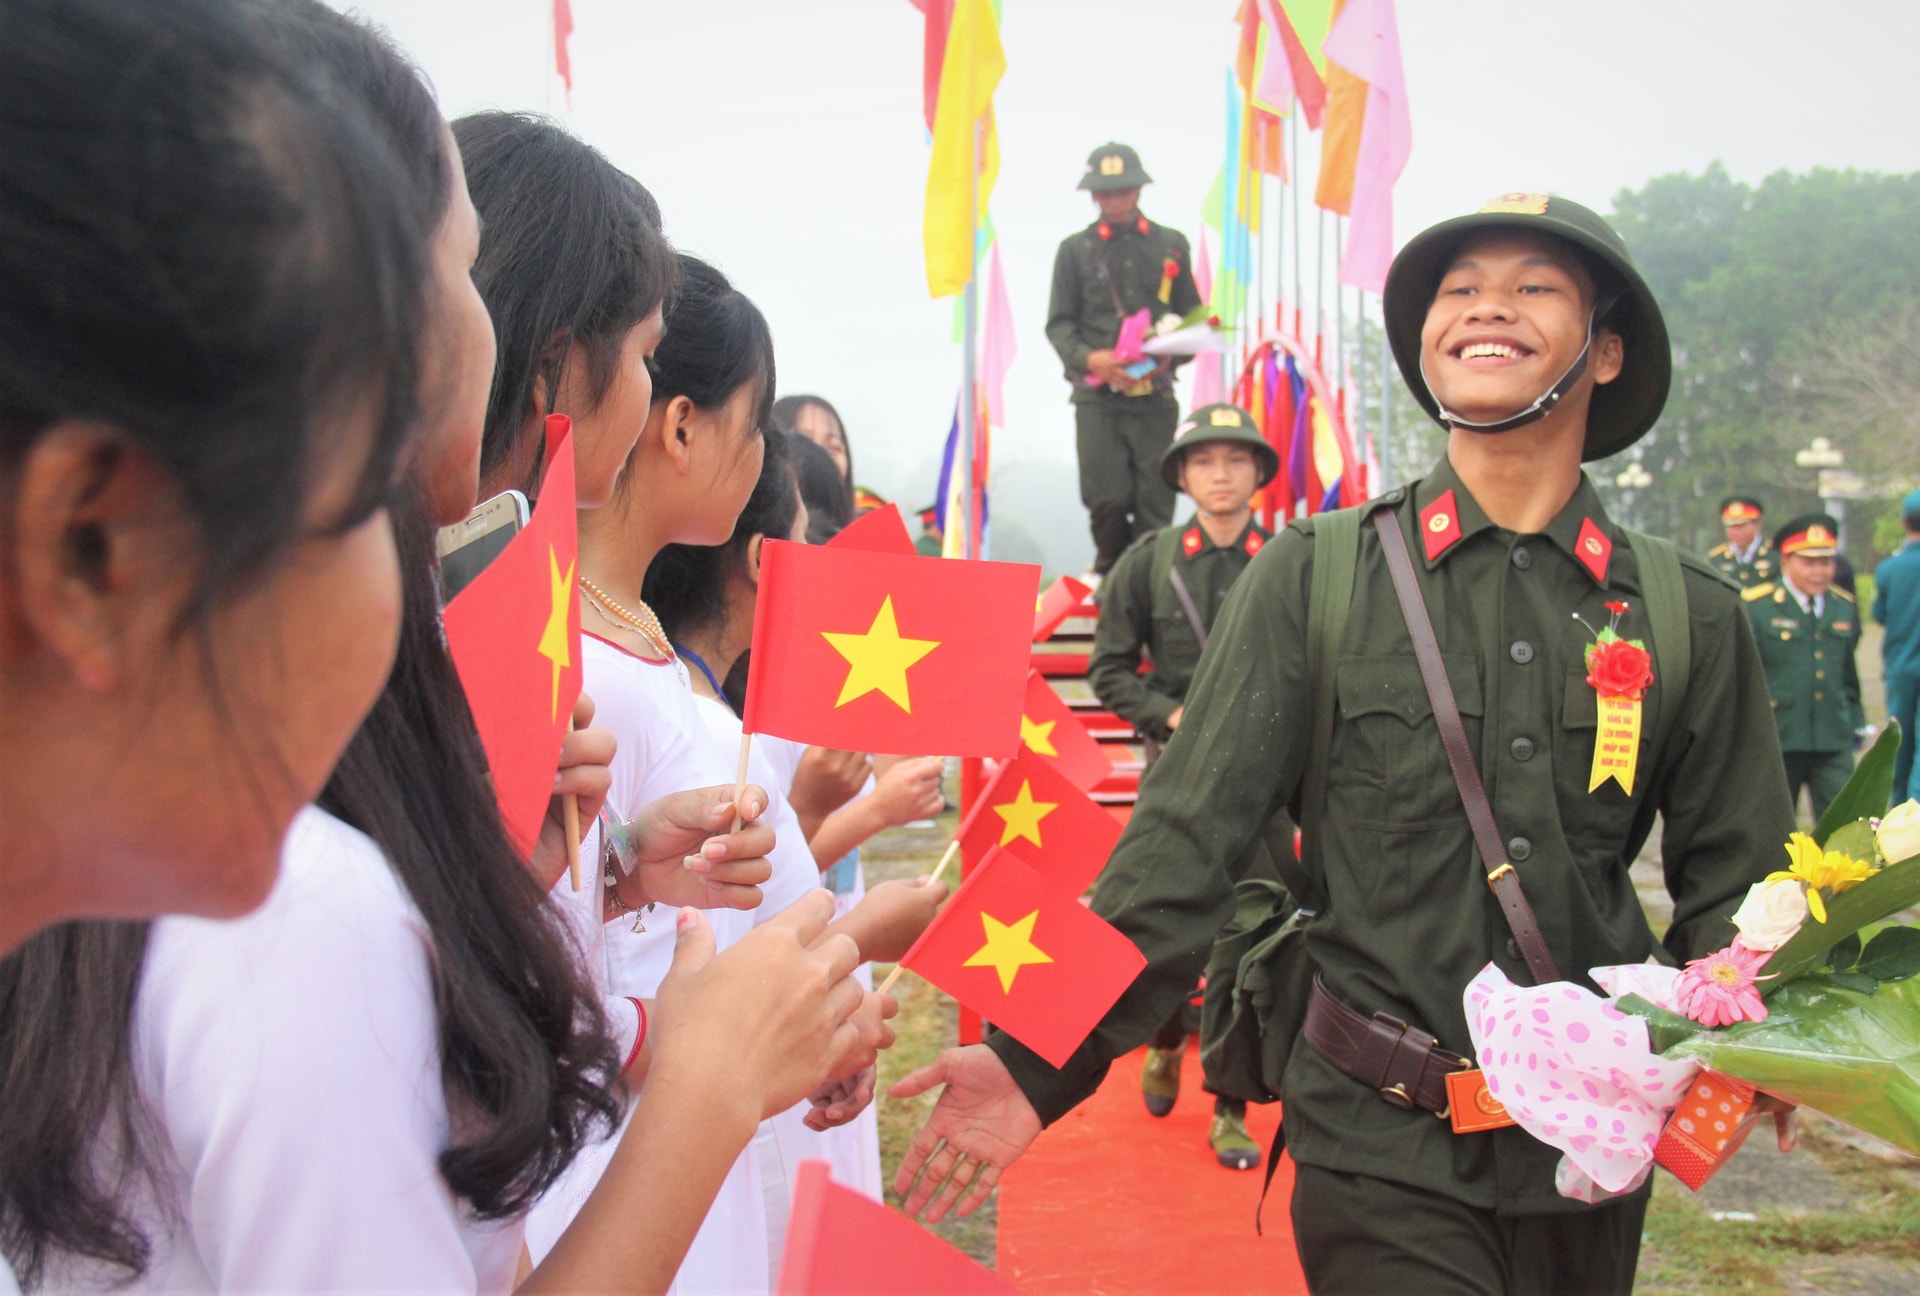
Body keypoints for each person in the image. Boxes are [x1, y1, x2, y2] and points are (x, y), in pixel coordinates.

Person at [2, 10, 879, 1293]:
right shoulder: (298, 914)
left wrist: (602, 875)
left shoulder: (181, 882)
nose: (481, 325)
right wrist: (704, 1090)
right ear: (95, 546)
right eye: (367, 513)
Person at [893, 194, 1798, 1296]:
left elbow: (1740, 881)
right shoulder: (1318, 577)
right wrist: (1037, 1060)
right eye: (1459, 289)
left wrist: (1765, 1047)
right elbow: (1184, 842)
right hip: (1377, 1139)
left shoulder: (1686, 611)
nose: (1487, 308)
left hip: (1589, 1145)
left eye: (1533, 287)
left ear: (1606, 352)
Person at [645, 429, 947, 1271]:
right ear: (759, 559)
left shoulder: (673, 705)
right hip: (709, 1127)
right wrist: (868, 927)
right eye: (808, 542)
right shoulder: (705, 735)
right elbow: (727, 955)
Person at [1086, 401, 1277, 1169]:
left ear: (1258, 472)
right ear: (1182, 475)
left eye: (1235, 459)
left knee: (1251, 940)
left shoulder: (1289, 558)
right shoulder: (1149, 561)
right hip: (1178, 779)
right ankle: (1164, 1039)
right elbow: (1108, 668)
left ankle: (1230, 1103)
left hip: (1269, 783)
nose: (1220, 474)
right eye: (1204, 461)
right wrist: (1168, 714)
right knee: (1166, 926)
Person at [1046, 143, 1201, 580]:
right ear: (1094, 195)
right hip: (1098, 400)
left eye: (1123, 190)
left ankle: (1151, 586)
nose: (1115, 200)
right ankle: (1112, 581)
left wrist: (1168, 355)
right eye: (1105, 192)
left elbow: (1194, 318)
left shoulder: (1171, 245)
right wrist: (1091, 358)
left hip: (1155, 397)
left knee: (1156, 502)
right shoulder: (1074, 250)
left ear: (1138, 189)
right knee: (1108, 500)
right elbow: (1058, 324)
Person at [1743, 513, 1864, 821]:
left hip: (1832, 736)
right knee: (1773, 826)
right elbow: (1744, 675)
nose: (1819, 572)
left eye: (1826, 562)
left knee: (1844, 826)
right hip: (1778, 736)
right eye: (1809, 562)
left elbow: (1847, 672)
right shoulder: (1758, 606)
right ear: (1786, 561)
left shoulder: (1842, 605)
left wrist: (1856, 721)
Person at [1875, 490, 1920, 801]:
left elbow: (1880, 614)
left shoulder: (1888, 569)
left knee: (1898, 740)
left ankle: (1898, 807)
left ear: (1904, 522)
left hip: (1901, 667)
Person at [1707, 495, 1776, 589]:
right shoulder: (1717, 558)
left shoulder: (1775, 554)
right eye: (1731, 526)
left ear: (1757, 525)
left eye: (1741, 526)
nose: (1736, 532)